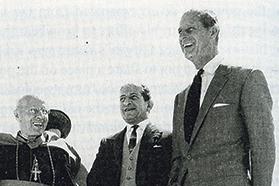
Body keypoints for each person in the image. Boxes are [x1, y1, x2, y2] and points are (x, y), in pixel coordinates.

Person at [168, 10, 275, 186]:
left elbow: (263, 149)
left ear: (213, 32)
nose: (182, 37)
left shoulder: (245, 79)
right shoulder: (181, 98)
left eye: (190, 29)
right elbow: (178, 160)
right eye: (179, 32)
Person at [87, 83, 172, 186]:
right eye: (122, 99)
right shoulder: (108, 144)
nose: (126, 103)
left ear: (148, 104)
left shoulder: (167, 138)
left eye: (133, 97)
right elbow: (93, 181)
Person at [0, 95, 81, 186]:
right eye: (33, 110)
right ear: (17, 115)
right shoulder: (3, 146)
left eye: (44, 111)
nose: (40, 116)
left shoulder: (62, 149)